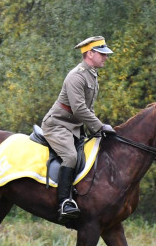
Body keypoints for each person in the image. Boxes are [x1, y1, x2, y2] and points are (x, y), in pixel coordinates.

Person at [40, 35, 114, 223]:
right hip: (57, 125)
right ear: (90, 54)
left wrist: (97, 133)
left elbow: (88, 108)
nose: (105, 57)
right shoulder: (76, 76)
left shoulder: (92, 75)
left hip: (74, 127)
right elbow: (79, 108)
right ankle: (64, 202)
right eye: (102, 54)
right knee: (71, 157)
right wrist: (99, 126)